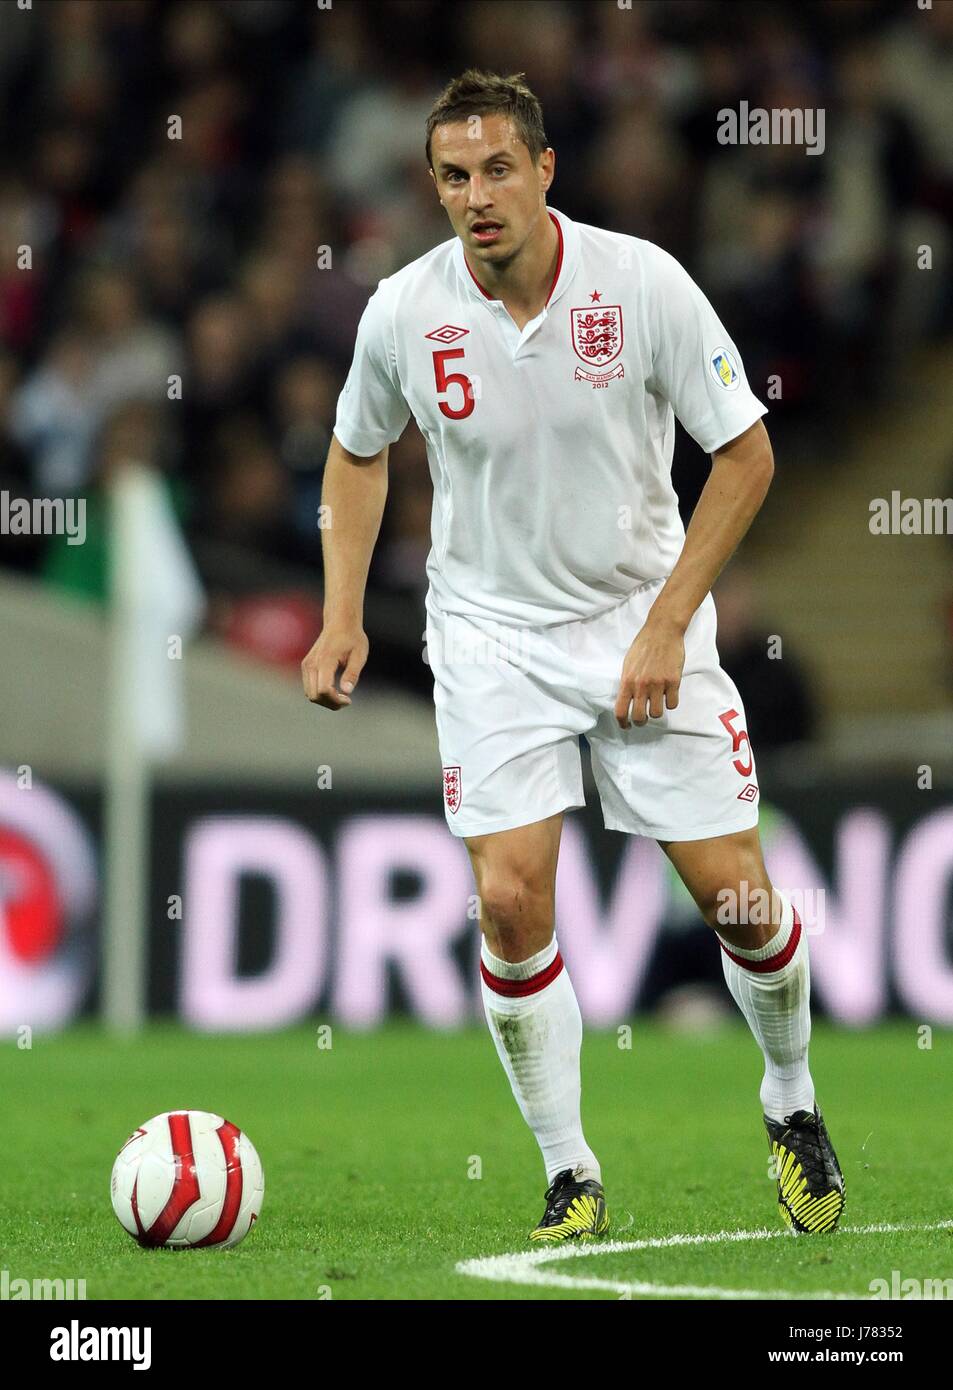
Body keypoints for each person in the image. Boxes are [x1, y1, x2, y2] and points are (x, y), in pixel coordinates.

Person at [301, 69, 844, 1242]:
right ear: (433, 187)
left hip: (640, 618)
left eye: (497, 168)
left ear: (545, 169)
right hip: (490, 634)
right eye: (453, 176)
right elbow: (355, 453)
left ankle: (790, 1098)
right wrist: (342, 611)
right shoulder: (402, 309)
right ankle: (568, 1170)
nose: (475, 196)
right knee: (506, 899)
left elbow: (743, 457)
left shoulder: (639, 283)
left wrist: (663, 626)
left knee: (739, 900)